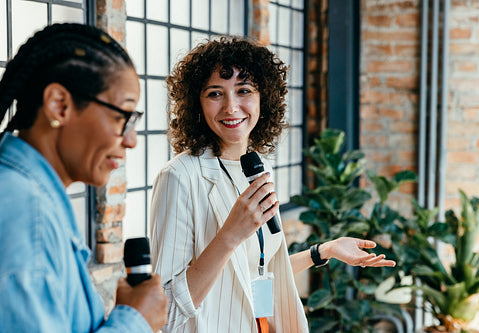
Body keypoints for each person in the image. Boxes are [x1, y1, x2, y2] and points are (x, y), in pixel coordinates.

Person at [150, 36, 395, 333]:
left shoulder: (258, 169)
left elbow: (255, 275)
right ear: (196, 103)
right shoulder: (179, 177)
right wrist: (229, 236)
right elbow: (165, 313)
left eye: (244, 90)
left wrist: (324, 251)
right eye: (215, 93)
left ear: (263, 98)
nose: (231, 107)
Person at [0, 23, 168, 332]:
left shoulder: (29, 197)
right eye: (124, 117)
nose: (131, 140)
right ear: (59, 106)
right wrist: (135, 321)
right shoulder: (24, 213)